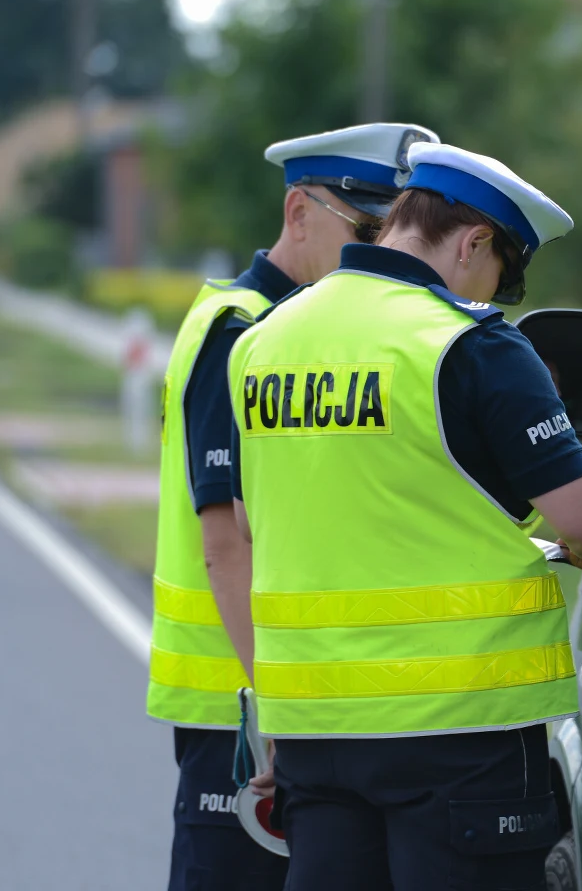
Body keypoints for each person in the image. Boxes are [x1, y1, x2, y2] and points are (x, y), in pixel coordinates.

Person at [227, 142, 582, 890]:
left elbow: (259, 523)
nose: (493, 295)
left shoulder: (263, 341)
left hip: (315, 731)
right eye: (500, 278)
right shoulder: (469, 344)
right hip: (458, 732)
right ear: (475, 242)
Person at [147, 122, 437, 890]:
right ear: (298, 210)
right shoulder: (243, 332)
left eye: (395, 229)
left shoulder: (306, 333)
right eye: (367, 229)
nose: (384, 250)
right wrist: (270, 714)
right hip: (244, 710)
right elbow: (226, 542)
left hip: (293, 704)